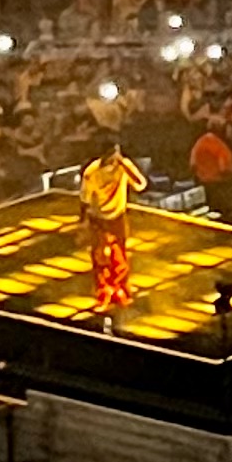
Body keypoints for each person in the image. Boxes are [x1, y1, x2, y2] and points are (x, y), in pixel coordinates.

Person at [80, 138, 138, 326]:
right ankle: (103, 293)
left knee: (120, 255)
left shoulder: (123, 167)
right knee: (100, 257)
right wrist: (83, 221)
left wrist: (124, 166)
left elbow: (140, 184)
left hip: (118, 217)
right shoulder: (92, 172)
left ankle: (120, 289)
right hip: (99, 218)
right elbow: (85, 199)